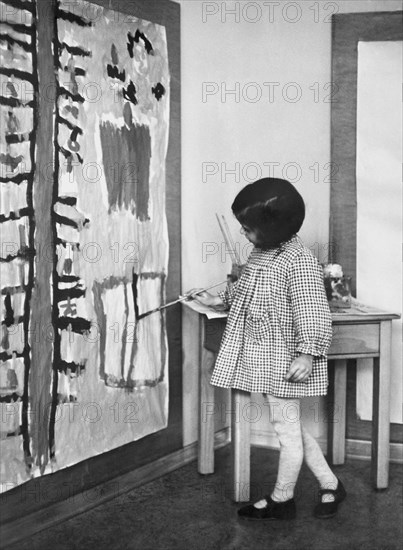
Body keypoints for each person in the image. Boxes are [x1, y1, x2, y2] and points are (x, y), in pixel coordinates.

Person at [190, 178, 346, 521]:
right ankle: (330, 483)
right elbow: (244, 291)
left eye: (248, 228)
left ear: (275, 227)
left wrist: (307, 352)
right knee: (288, 426)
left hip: (288, 358)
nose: (243, 233)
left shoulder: (299, 261)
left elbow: (313, 311)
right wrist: (218, 299)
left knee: (286, 430)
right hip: (265, 357)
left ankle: (282, 499)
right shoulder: (261, 252)